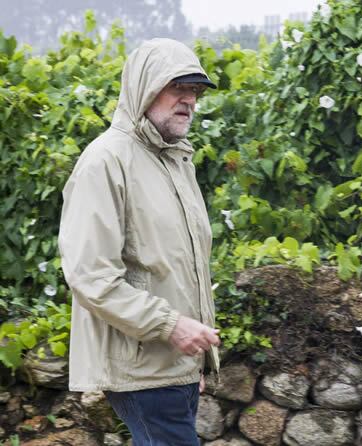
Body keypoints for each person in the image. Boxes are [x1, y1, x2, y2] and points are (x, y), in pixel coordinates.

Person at [58, 38, 221, 446]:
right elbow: (90, 274)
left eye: (195, 91)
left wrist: (193, 363)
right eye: (177, 88)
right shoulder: (106, 161)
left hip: (173, 367)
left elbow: (182, 268)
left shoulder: (176, 160)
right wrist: (170, 326)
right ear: (145, 88)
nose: (189, 100)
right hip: (141, 370)